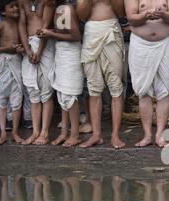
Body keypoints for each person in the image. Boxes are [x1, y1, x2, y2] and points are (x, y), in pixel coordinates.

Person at [125, 0, 169, 148]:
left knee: (164, 91)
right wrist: (145, 16)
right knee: (144, 92)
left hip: (165, 43)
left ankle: (160, 135)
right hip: (140, 44)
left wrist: (162, 14)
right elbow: (131, 17)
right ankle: (147, 134)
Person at [77, 0, 126, 149]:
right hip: (91, 32)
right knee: (94, 89)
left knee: (116, 86)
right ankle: (96, 135)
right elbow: (81, 16)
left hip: (111, 30)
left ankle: (115, 135)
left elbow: (121, 12)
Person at [39, 0, 84, 147]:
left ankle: (75, 135)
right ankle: (64, 133)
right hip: (61, 51)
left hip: (70, 53)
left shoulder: (66, 9)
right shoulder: (58, 8)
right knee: (62, 94)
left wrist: (50, 34)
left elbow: (76, 36)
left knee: (69, 95)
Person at [18, 0, 55, 145]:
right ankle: (35, 132)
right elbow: (22, 25)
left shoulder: (47, 2)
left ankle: (44, 132)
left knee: (46, 90)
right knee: (33, 91)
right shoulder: (22, 2)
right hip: (29, 45)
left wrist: (39, 51)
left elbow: (45, 28)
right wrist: (27, 50)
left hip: (45, 46)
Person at [0, 0, 24, 145]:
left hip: (17, 62)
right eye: (12, 6)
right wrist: (6, 49)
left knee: (17, 98)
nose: (16, 8)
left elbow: (23, 43)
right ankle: (3, 132)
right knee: (3, 98)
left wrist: (20, 49)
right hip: (3, 63)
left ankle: (15, 132)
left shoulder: (20, 24)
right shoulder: (0, 26)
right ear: (3, 11)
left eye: (17, 5)